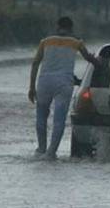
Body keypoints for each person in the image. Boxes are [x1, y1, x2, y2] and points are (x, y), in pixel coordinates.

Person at [28, 16, 100, 160]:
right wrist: (99, 63)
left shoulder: (45, 41)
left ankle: (41, 149)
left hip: (44, 82)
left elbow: (35, 63)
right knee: (59, 120)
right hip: (64, 83)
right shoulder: (76, 42)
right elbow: (89, 59)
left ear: (57, 26)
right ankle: (51, 153)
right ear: (71, 28)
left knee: (41, 117)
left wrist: (31, 87)